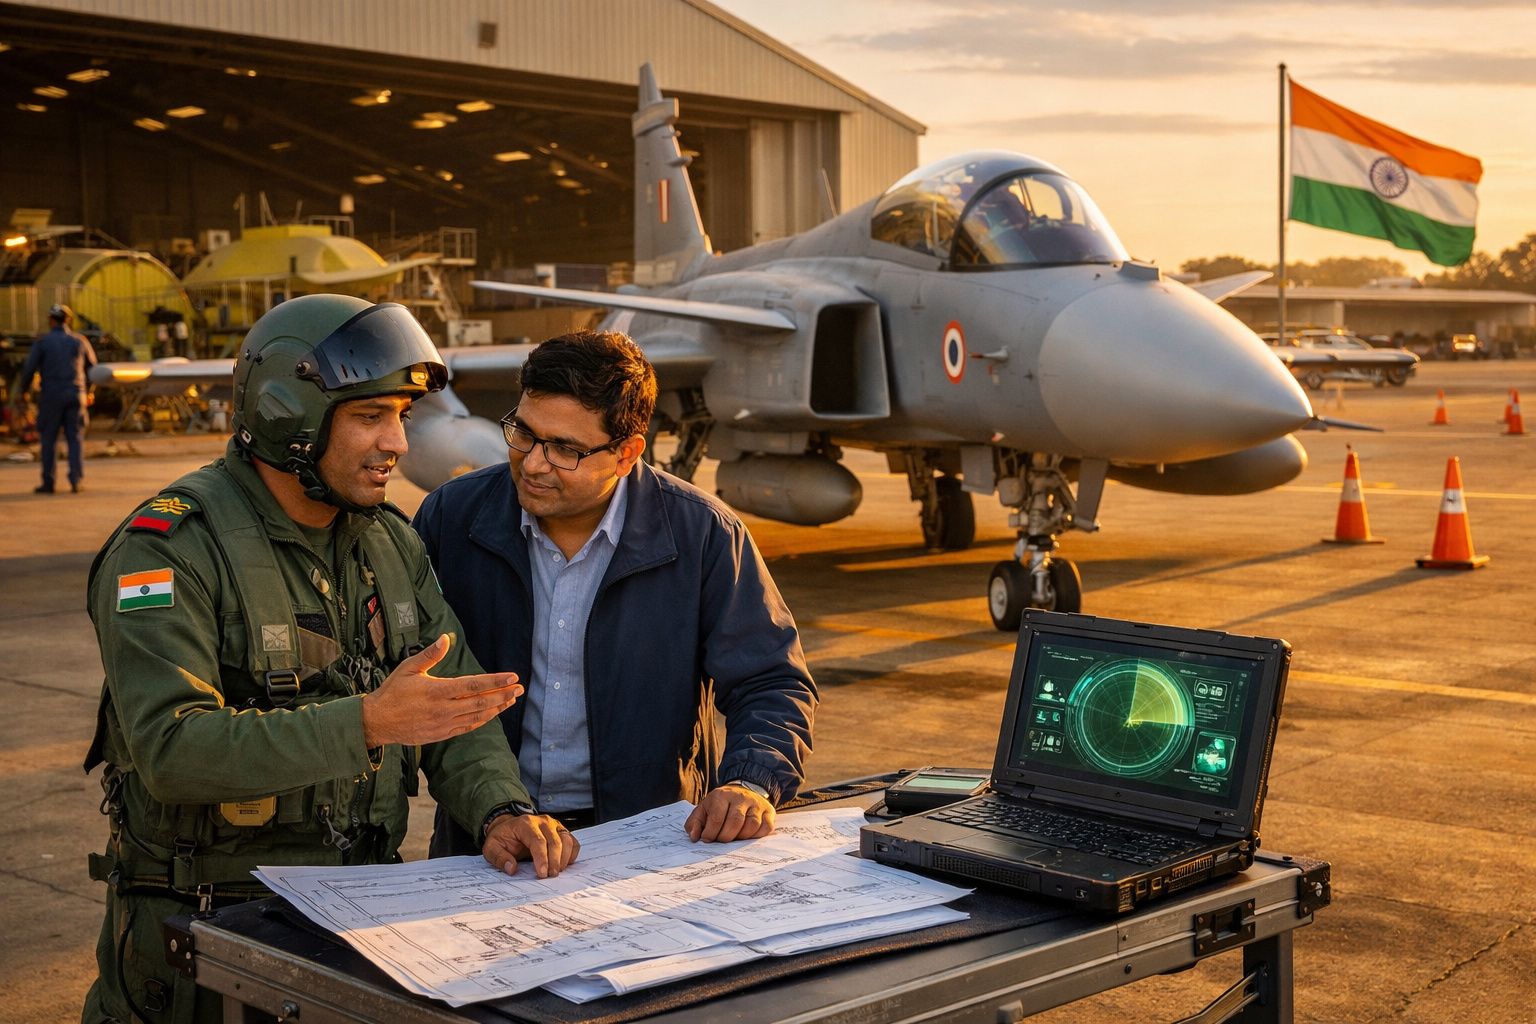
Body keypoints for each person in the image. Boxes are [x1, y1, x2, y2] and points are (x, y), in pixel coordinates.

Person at [82, 295, 577, 1024]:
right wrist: (369, 722)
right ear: (289, 417)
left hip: (359, 932)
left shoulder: (389, 543)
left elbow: (455, 702)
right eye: (370, 416)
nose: (399, 443)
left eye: (402, 417)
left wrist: (500, 809)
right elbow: (171, 748)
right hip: (206, 946)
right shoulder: (167, 548)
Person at [414, 330, 817, 853]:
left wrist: (750, 781)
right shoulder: (451, 518)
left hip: (651, 841)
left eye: (565, 449)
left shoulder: (702, 535)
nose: (534, 463)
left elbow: (772, 681)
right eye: (524, 433)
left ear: (627, 453)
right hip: (487, 841)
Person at [16, 303, 96, 493]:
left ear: (51, 321)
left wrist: (23, 391)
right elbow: (93, 369)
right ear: (68, 320)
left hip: (51, 396)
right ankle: (76, 481)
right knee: (75, 438)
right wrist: (90, 391)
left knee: (49, 439)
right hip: (76, 395)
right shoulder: (80, 341)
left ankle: (48, 482)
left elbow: (29, 369)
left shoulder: (43, 342)